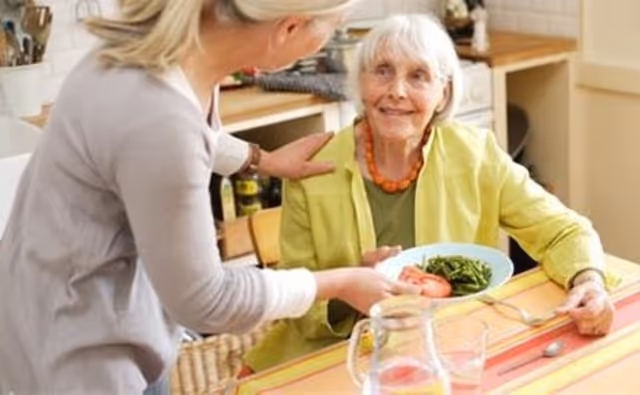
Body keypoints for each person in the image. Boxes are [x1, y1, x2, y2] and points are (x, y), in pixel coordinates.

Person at [0, 1, 422, 393]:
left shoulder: (150, 57)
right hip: (78, 348)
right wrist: (341, 282)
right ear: (289, 28)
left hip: (53, 301)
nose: (328, 41)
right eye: (333, 28)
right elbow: (207, 299)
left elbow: (180, 138)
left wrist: (261, 159)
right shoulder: (158, 118)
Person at [245, 14, 616, 372]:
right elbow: (293, 301)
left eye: (418, 76)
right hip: (335, 357)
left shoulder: (475, 154)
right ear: (361, 83)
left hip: (446, 346)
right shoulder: (311, 168)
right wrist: (348, 286)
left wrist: (589, 282)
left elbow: (563, 230)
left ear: (443, 93)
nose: (397, 91)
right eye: (383, 71)